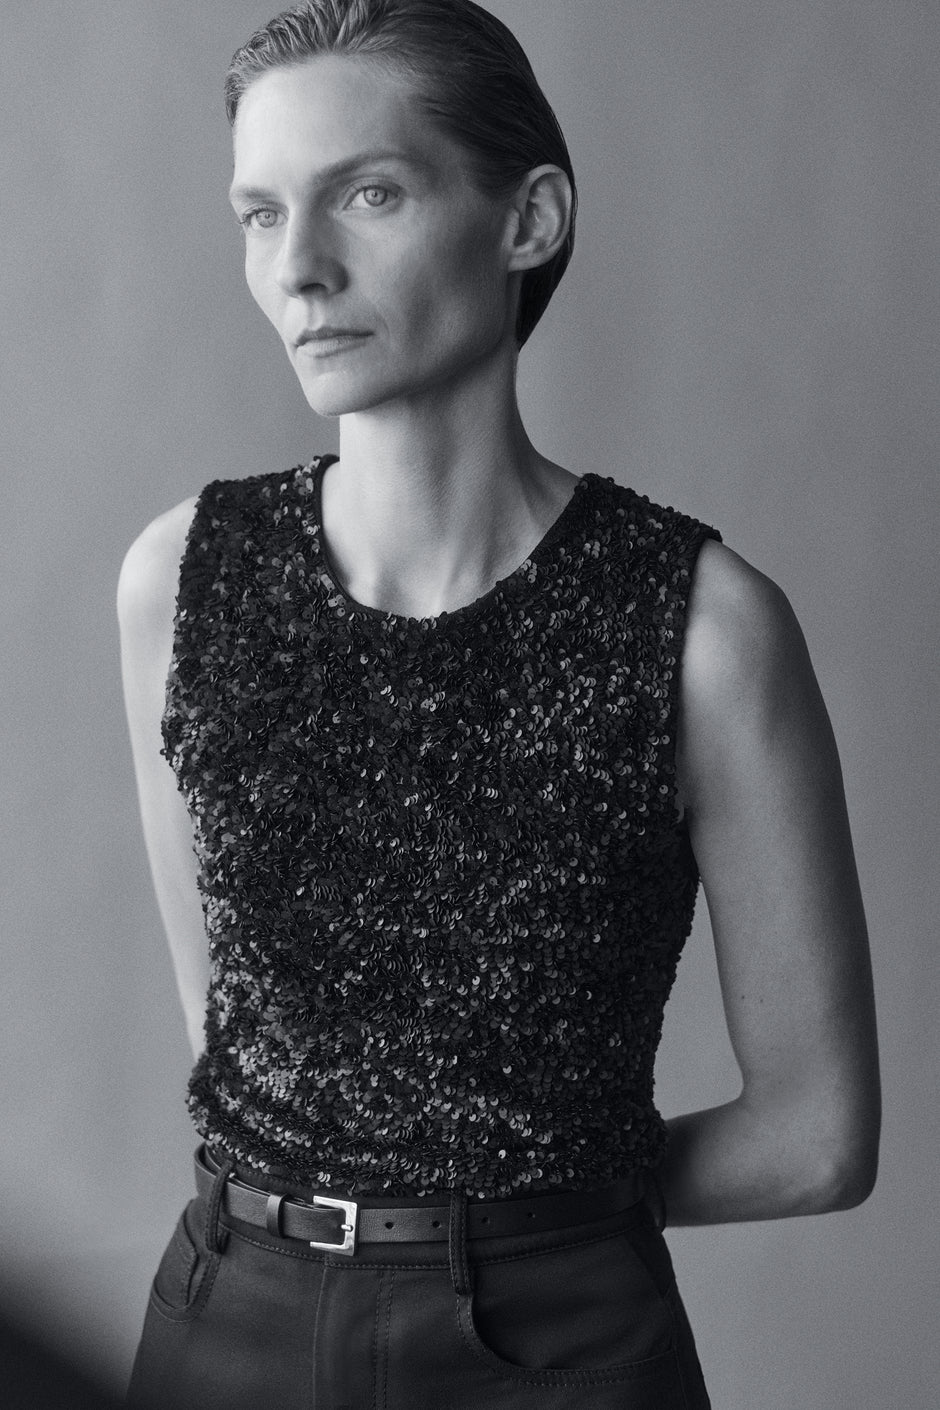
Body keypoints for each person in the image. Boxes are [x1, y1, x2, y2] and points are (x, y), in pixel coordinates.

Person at [118, 2, 881, 1406]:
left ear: (528, 219)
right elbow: (236, 1052)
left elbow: (818, 1137)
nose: (299, 267)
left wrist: (534, 1209)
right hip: (226, 1323)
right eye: (260, 213)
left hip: (558, 1346)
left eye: (368, 193)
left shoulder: (703, 631)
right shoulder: (181, 583)